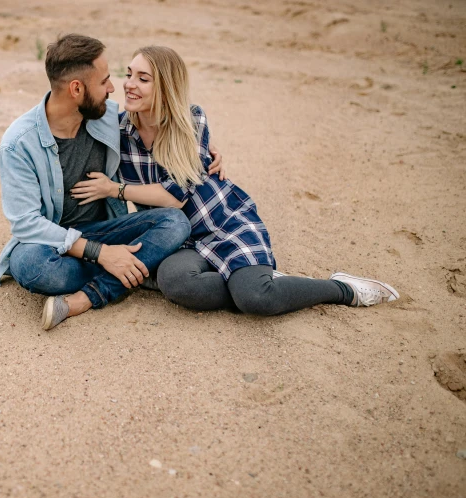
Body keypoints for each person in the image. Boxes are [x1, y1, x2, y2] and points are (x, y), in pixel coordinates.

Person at [71, 45, 399, 315]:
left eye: (143, 79)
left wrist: (115, 189)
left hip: (223, 223)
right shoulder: (117, 129)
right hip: (178, 239)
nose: (129, 84)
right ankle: (254, 279)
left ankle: (340, 288)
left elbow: (174, 197)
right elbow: (73, 114)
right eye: (128, 74)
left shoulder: (191, 120)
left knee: (257, 300)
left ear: (166, 87)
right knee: (177, 286)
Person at [0, 35, 197, 330]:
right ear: (77, 89)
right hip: (52, 243)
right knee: (31, 267)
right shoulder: (18, 144)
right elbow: (25, 224)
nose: (113, 88)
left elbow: (164, 116)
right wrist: (101, 254)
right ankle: (134, 267)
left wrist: (205, 148)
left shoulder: (105, 116)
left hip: (106, 230)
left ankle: (93, 293)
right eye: (104, 82)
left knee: (175, 222)